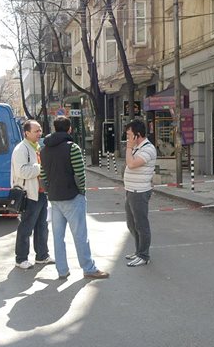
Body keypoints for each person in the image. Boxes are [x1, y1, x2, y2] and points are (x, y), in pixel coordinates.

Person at [40, 116, 109, 280]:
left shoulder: (44, 150)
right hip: (72, 197)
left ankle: (62, 271)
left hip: (55, 198)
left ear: (55, 128)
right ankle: (88, 268)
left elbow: (43, 176)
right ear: (69, 129)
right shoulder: (73, 148)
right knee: (80, 235)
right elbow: (80, 174)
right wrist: (81, 191)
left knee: (58, 237)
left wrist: (50, 192)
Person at [11, 120, 54, 269]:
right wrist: (40, 167)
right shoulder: (20, 149)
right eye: (36, 131)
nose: (39, 133)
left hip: (41, 193)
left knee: (42, 226)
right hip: (29, 194)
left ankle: (42, 255)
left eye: (40, 130)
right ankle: (21, 258)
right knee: (26, 228)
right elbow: (21, 171)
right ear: (27, 133)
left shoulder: (37, 147)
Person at [124, 119, 157, 267]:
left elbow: (131, 164)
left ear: (137, 135)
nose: (127, 138)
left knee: (141, 225)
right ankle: (138, 251)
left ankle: (144, 255)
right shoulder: (137, 147)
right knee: (131, 224)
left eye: (129, 135)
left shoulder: (148, 149)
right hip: (131, 190)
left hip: (140, 191)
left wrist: (129, 148)